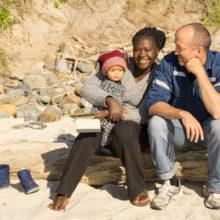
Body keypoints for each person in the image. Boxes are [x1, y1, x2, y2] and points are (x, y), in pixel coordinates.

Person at [49, 27, 166, 211]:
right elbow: (88, 87)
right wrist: (109, 101)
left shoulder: (159, 75)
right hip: (107, 122)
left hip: (134, 130)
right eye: (137, 49)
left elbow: (145, 112)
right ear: (131, 49)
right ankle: (64, 192)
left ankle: (137, 189)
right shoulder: (119, 64)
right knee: (87, 135)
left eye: (148, 50)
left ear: (157, 51)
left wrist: (114, 112)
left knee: (124, 129)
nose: (142, 54)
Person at [145, 23, 220, 210]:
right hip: (180, 131)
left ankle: (215, 188)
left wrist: (200, 73)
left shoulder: (218, 65)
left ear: (199, 51)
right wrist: (182, 114)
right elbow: (153, 104)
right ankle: (170, 182)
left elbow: (218, 111)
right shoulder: (169, 63)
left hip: (207, 133)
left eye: (180, 47)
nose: (175, 51)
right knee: (156, 122)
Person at [91, 49, 127, 155]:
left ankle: (109, 145)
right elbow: (113, 99)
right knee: (107, 128)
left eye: (120, 71)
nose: (117, 73)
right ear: (106, 71)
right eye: (113, 70)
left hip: (112, 111)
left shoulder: (118, 84)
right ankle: (103, 146)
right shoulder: (107, 84)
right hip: (105, 111)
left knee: (113, 128)